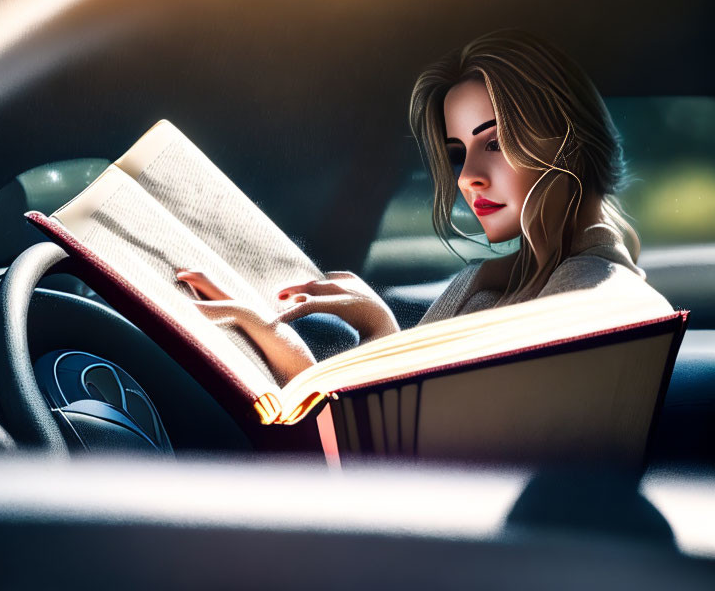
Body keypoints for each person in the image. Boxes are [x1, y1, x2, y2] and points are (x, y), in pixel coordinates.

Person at [177, 29, 669, 385]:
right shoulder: (508, 284)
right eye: (457, 154)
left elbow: (407, 460)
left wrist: (358, 330)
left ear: (569, 141)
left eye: (494, 143)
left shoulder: (583, 304)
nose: (467, 177)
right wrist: (377, 329)